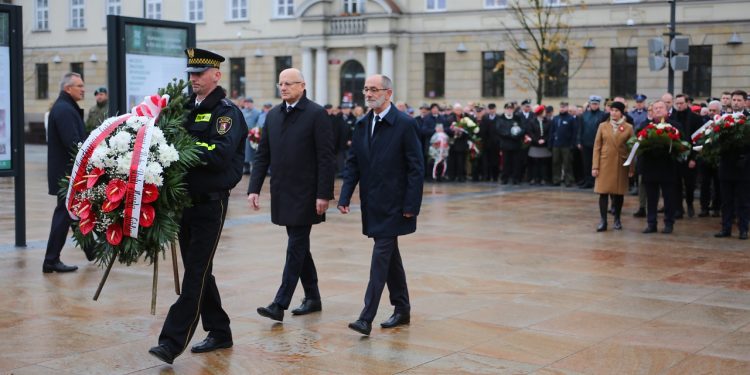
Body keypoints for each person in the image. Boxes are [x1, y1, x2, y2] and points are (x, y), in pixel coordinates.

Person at [149, 48, 248, 364]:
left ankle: (171, 342)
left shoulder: (226, 113)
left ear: (216, 75)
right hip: (184, 204)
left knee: (195, 274)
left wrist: (179, 148)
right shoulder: (184, 109)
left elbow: (219, 155)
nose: (193, 79)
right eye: (190, 73)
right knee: (202, 271)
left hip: (210, 206)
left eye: (199, 74)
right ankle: (220, 330)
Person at [337, 74, 424, 336]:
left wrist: (411, 204)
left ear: (388, 93)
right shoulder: (363, 123)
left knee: (380, 256)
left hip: (396, 205)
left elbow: (416, 168)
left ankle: (366, 317)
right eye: (366, 89)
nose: (369, 94)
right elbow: (353, 163)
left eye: (374, 89)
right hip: (372, 203)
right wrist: (344, 195)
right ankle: (402, 308)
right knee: (390, 257)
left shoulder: (405, 124)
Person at [247, 68, 336, 323]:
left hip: (307, 194)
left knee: (295, 245)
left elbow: (326, 157)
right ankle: (313, 297)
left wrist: (323, 194)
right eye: (281, 84)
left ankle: (280, 303)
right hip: (282, 191)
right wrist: (254, 187)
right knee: (300, 247)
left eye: (289, 83)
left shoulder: (316, 114)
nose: (283, 87)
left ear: (302, 86)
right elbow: (263, 154)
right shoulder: (273, 115)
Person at [44, 72, 94, 273]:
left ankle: (92, 251)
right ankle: (50, 260)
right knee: (65, 214)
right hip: (67, 175)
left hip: (68, 173)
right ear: (68, 89)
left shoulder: (66, 107)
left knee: (75, 213)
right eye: (79, 86)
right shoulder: (64, 109)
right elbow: (73, 143)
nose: (83, 89)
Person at [592, 101, 634, 231]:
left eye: (616, 111)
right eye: (612, 110)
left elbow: (632, 149)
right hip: (604, 163)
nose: (614, 113)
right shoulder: (603, 126)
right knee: (603, 193)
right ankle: (603, 221)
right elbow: (597, 147)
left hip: (620, 164)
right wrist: (595, 166)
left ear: (621, 112)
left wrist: (631, 168)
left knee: (618, 194)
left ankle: (617, 219)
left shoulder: (628, 127)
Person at [715, 90, 750, 240]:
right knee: (726, 200)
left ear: (744, 102)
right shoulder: (723, 119)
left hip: (744, 167)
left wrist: (746, 157)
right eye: (734, 100)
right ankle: (726, 228)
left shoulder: (748, 119)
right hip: (726, 165)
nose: (735, 102)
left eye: (738, 100)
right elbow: (716, 139)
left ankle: (743, 229)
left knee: (743, 201)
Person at [639, 100, 678, 234]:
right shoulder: (645, 126)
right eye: (655, 108)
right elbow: (637, 142)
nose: (658, 110)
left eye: (661, 108)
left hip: (668, 167)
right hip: (651, 167)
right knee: (651, 198)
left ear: (667, 110)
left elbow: (682, 143)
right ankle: (651, 223)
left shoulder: (674, 125)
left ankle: (669, 223)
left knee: (669, 197)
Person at [670, 93, 703, 218]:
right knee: (676, 184)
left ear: (687, 103)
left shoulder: (696, 118)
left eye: (681, 103)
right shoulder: (672, 118)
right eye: (677, 103)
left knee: (690, 184)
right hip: (677, 156)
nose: (679, 106)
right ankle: (679, 208)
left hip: (690, 157)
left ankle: (689, 203)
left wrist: (694, 158)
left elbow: (699, 139)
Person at [578, 95, 608, 188]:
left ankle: (596, 181)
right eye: (593, 104)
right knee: (586, 163)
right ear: (589, 104)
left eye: (596, 104)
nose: (594, 105)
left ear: (599, 105)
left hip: (598, 144)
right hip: (586, 143)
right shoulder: (584, 115)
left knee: (597, 163)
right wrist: (578, 141)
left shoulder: (603, 115)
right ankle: (588, 181)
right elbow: (580, 129)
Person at [549, 102, 577, 187]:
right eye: (561, 107)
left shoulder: (571, 119)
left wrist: (573, 144)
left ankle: (568, 180)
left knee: (567, 163)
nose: (562, 109)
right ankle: (556, 180)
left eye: (564, 107)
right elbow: (552, 131)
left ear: (567, 108)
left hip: (567, 145)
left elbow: (574, 133)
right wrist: (550, 143)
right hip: (556, 145)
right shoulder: (556, 118)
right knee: (555, 163)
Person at [497, 102, 525, 184]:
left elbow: (523, 128)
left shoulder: (517, 118)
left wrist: (518, 135)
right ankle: (504, 178)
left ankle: (515, 178)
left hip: (516, 144)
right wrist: (510, 135)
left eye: (511, 108)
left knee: (516, 163)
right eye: (507, 108)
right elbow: (499, 130)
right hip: (506, 144)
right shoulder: (500, 118)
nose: (509, 110)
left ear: (513, 109)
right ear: (505, 109)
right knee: (506, 163)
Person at [527, 105, 552, 185]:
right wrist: (537, 140)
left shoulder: (548, 121)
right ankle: (535, 178)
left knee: (544, 163)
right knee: (535, 163)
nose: (545, 113)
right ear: (540, 113)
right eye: (544, 111)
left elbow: (550, 132)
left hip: (544, 146)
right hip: (535, 145)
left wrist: (544, 140)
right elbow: (531, 133)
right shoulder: (532, 122)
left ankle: (544, 178)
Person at [479, 103, 500, 182]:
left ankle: (495, 176)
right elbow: (482, 130)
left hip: (496, 144)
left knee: (495, 161)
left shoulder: (499, 117)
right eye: (490, 109)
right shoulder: (484, 118)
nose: (491, 110)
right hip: (486, 143)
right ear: (488, 110)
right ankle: (486, 176)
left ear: (495, 109)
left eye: (493, 109)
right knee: (486, 161)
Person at [241, 97, 261, 174]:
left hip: (253, 135)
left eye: (248, 103)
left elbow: (259, 122)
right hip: (243, 135)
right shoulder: (242, 112)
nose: (247, 104)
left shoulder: (257, 112)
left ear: (252, 103)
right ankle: (246, 168)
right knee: (244, 152)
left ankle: (255, 168)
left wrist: (255, 131)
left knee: (253, 152)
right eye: (245, 103)